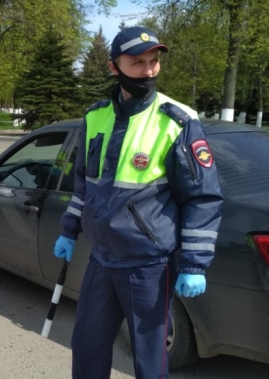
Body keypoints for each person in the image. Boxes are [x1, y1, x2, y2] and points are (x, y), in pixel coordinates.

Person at [53, 26, 223, 378]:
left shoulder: (176, 121)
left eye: (153, 61)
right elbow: (84, 183)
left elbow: (202, 197)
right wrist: (69, 229)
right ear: (114, 67)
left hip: (149, 264)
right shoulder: (95, 117)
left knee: (149, 359)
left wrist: (194, 263)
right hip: (102, 258)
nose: (148, 71)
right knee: (86, 345)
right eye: (137, 63)